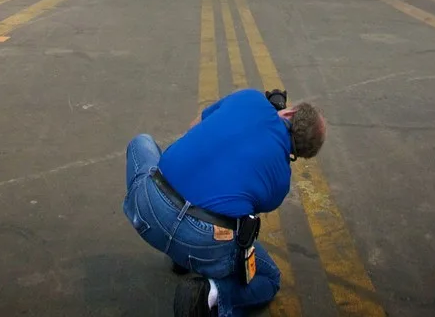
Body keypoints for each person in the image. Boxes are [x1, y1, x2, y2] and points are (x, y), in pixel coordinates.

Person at [123, 88, 326, 317]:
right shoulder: (281, 184)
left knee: (142, 143)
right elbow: (242, 214)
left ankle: (177, 256)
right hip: (202, 243)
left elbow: (194, 128)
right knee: (269, 279)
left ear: (289, 113)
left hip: (149, 209)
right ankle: (209, 294)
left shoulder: (250, 98)